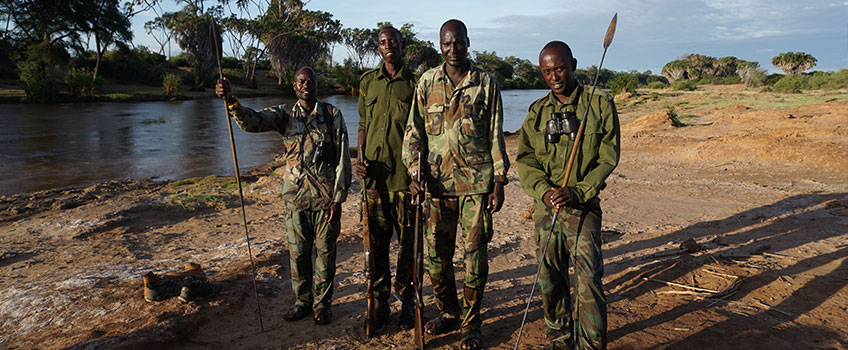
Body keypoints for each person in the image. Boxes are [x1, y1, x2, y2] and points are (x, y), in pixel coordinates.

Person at [401, 19, 509, 350]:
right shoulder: (427, 81)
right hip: (436, 186)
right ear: (440, 45)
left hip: (476, 185)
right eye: (446, 44)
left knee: (475, 257)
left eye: (458, 43)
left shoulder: (486, 83)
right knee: (437, 259)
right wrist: (414, 174)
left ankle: (471, 324)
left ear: (467, 42)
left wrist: (500, 179)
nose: (452, 49)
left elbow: (495, 134)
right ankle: (448, 312)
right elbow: (414, 132)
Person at [215, 66, 351, 326]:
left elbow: (344, 156)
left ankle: (322, 305)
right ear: (294, 86)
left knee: (325, 255)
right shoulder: (284, 114)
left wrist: (339, 198)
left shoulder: (332, 114)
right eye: (301, 81)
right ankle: (302, 302)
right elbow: (252, 122)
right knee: (298, 254)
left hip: (325, 200)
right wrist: (232, 102)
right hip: (296, 199)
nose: (306, 85)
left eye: (311, 81)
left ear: (317, 85)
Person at [515, 41, 620, 350]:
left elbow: (607, 157)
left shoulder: (598, 103)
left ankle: (590, 345)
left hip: (582, 208)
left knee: (588, 280)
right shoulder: (537, 111)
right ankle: (560, 341)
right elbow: (526, 159)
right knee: (550, 279)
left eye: (559, 68)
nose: (554, 77)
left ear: (573, 64)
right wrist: (544, 193)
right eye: (547, 71)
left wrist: (577, 191)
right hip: (547, 212)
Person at [355, 26, 420, 330]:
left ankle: (407, 301)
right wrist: (359, 158)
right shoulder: (368, 82)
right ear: (378, 48)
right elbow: (363, 123)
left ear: (402, 45)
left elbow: (424, 129)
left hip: (405, 181)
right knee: (376, 246)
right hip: (374, 182)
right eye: (382, 42)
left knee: (409, 245)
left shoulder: (417, 83)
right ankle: (380, 302)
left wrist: (420, 171)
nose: (388, 45)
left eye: (393, 40)